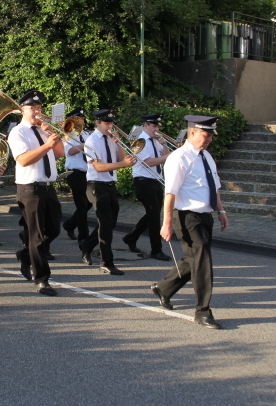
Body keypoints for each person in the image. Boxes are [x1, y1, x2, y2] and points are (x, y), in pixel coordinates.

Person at [151, 115, 229, 329]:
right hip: (187, 216)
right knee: (202, 260)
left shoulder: (206, 156)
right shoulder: (179, 158)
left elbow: (214, 186)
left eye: (211, 136)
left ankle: (164, 288)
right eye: (206, 135)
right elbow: (170, 193)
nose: (209, 139)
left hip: (205, 215)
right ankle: (203, 311)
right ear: (192, 132)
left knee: (193, 258)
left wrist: (221, 211)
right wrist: (166, 223)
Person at [7, 90, 64, 296]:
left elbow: (60, 153)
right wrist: (47, 145)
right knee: (37, 236)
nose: (37, 112)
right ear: (22, 110)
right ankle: (41, 279)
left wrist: (54, 138)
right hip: (30, 188)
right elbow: (23, 160)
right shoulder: (18, 132)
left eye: (39, 108)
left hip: (48, 187)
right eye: (32, 108)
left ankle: (26, 254)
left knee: (54, 229)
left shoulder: (43, 130)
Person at [78, 109, 137, 275]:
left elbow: (120, 159)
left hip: (110, 184)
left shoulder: (110, 139)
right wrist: (122, 164)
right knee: (105, 225)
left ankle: (86, 245)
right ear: (98, 123)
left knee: (110, 223)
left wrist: (118, 143)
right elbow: (98, 166)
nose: (110, 126)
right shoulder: (91, 140)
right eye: (107, 123)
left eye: (111, 123)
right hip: (97, 186)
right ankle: (106, 262)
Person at [122, 114, 171, 261]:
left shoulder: (155, 140)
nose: (157, 129)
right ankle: (156, 250)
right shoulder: (140, 141)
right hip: (143, 181)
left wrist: (165, 145)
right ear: (146, 125)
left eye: (158, 126)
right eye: (154, 126)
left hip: (155, 180)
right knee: (154, 216)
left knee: (152, 214)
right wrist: (170, 156)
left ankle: (131, 238)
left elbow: (165, 156)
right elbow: (148, 162)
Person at [61, 107, 92, 244]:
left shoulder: (87, 134)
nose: (81, 121)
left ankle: (70, 224)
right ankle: (83, 237)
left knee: (89, 203)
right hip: (75, 173)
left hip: (89, 173)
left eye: (82, 118)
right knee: (82, 205)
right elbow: (70, 151)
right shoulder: (69, 134)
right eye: (78, 118)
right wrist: (85, 145)